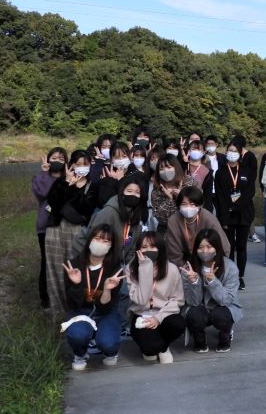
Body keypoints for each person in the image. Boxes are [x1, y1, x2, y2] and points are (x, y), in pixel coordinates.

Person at [62, 223, 125, 371]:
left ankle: (110, 350)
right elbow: (73, 304)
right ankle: (80, 352)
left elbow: (107, 306)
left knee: (108, 342)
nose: (100, 243)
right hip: (81, 311)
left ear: (111, 246)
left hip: (106, 313)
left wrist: (107, 290)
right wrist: (76, 284)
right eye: (97, 238)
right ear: (90, 240)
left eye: (106, 241)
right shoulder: (74, 265)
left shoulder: (115, 268)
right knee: (78, 335)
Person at [44, 149, 96, 317]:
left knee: (77, 268)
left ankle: (79, 311)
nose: (81, 168)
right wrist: (67, 184)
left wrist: (76, 189)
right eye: (78, 164)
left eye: (85, 164)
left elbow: (86, 209)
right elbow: (54, 203)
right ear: (71, 165)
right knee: (56, 269)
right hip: (56, 229)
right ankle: (58, 312)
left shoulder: (92, 185)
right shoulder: (61, 181)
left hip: (78, 231)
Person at [127, 231, 185, 364]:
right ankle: (152, 346)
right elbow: (141, 300)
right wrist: (145, 268)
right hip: (141, 315)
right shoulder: (130, 269)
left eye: (153, 247)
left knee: (178, 324)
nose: (148, 250)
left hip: (163, 314)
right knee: (150, 349)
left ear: (160, 248)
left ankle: (164, 347)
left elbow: (178, 300)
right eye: (144, 247)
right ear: (138, 250)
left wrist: (158, 318)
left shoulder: (171, 269)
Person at [180, 229, 243, 353]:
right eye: (200, 247)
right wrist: (194, 282)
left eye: (209, 247)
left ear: (217, 248)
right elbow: (193, 302)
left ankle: (225, 337)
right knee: (194, 314)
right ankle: (199, 340)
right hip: (200, 307)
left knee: (221, 315)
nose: (204, 251)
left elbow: (226, 300)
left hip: (223, 306)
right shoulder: (189, 268)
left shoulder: (230, 267)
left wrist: (213, 282)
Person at [214, 141, 256, 289]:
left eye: (235, 150)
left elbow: (250, 192)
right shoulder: (220, 172)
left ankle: (241, 276)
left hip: (244, 213)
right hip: (227, 215)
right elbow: (219, 196)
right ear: (226, 152)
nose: (232, 153)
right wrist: (226, 213)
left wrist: (237, 206)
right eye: (229, 150)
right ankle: (230, 275)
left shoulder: (246, 170)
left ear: (240, 153)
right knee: (229, 247)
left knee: (241, 247)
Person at [32, 147, 67, 309]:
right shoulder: (40, 179)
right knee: (47, 262)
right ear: (47, 160)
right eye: (54, 158)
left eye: (61, 159)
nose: (57, 161)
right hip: (45, 227)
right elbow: (44, 192)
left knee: (65, 261)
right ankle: (45, 299)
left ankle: (64, 295)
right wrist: (45, 173)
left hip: (65, 226)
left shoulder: (69, 178)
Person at [166, 186, 230, 267]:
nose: (188, 207)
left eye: (192, 204)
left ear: (200, 205)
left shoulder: (209, 218)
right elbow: (174, 252)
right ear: (179, 205)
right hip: (184, 261)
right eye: (184, 204)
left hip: (209, 258)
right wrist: (184, 269)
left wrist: (217, 265)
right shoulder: (173, 221)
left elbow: (223, 245)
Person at [89, 141, 144, 210]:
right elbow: (102, 202)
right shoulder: (106, 173)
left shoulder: (138, 175)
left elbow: (137, 201)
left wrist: (120, 180)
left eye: (124, 156)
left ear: (130, 157)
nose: (121, 160)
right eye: (117, 157)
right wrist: (112, 181)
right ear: (112, 159)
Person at [150, 154, 196, 230]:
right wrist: (170, 200)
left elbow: (198, 206)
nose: (165, 171)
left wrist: (182, 197)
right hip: (167, 233)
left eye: (168, 167)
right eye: (161, 169)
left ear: (176, 167)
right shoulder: (157, 192)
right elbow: (161, 219)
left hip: (190, 229)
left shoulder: (190, 183)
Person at [183, 139, 214, 211]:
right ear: (189, 151)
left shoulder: (208, 172)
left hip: (199, 208)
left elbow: (207, 196)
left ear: (203, 152)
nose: (195, 151)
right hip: (183, 206)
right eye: (193, 149)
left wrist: (207, 212)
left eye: (198, 149)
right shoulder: (182, 167)